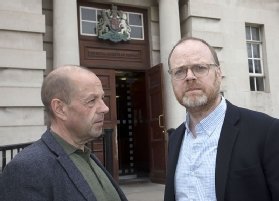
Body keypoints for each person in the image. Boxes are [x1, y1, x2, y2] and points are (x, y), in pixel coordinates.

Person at [164, 37, 279, 201]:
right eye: (179, 71)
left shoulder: (267, 132)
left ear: (219, 73)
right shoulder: (175, 139)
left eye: (200, 67)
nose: (189, 77)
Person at [0, 65, 128, 201]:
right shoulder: (26, 169)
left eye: (102, 98)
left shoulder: (86, 155)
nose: (105, 108)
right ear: (60, 109)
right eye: (92, 100)